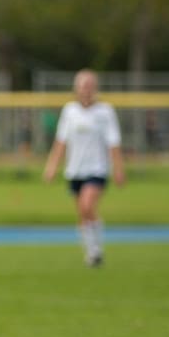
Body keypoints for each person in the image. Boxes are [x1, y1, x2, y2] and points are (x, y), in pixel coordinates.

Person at [42, 69, 126, 267]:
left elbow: (113, 143)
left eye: (89, 86)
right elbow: (61, 142)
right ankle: (91, 251)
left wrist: (118, 169)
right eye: (82, 86)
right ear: (76, 89)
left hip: (97, 169)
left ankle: (96, 250)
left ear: (95, 88)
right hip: (75, 170)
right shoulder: (69, 111)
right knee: (82, 214)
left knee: (87, 206)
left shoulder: (105, 112)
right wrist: (52, 166)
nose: (86, 90)